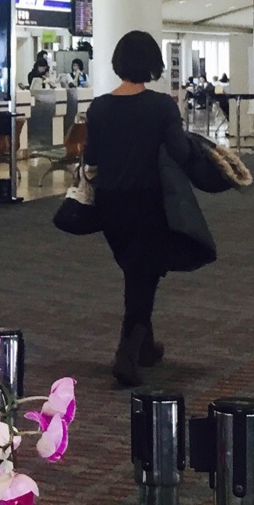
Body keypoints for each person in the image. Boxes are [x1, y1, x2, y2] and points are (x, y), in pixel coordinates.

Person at [84, 31, 196, 388]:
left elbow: (91, 156)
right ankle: (127, 354)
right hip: (149, 200)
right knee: (142, 273)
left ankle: (145, 346)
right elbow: (180, 152)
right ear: (152, 63)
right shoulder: (161, 106)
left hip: (110, 204)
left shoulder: (99, 107)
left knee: (138, 270)